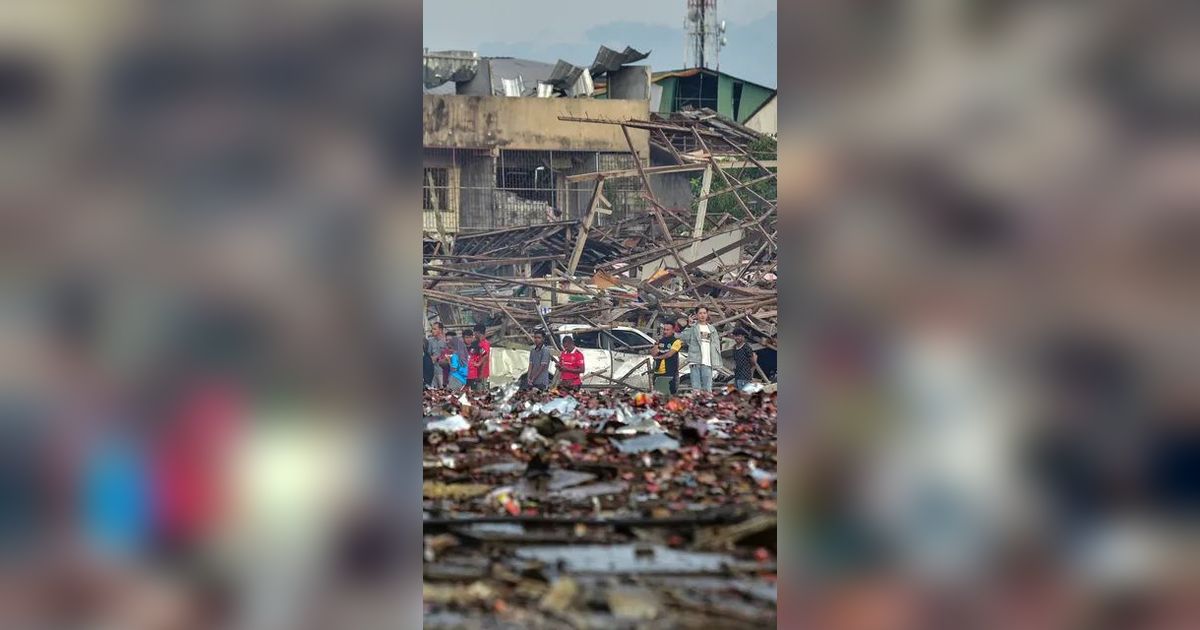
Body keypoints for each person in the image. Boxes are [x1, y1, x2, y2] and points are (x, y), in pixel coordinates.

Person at [680, 306, 723, 393]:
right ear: (696, 315)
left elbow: (716, 346)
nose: (702, 315)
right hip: (695, 361)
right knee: (696, 388)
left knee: (707, 388)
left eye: (704, 313)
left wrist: (715, 360)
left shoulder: (712, 329)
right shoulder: (693, 328)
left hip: (707, 362)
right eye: (700, 313)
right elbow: (683, 337)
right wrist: (689, 325)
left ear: (707, 314)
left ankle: (707, 405)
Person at [650, 322, 683, 396]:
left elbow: (669, 354)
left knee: (669, 395)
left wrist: (658, 358)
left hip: (669, 372)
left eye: (668, 330)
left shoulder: (676, 341)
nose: (665, 331)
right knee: (657, 395)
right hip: (658, 372)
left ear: (673, 330)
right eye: (664, 329)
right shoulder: (661, 340)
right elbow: (653, 353)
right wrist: (656, 344)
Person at [471, 323, 491, 392]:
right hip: (477, 372)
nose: (474, 335)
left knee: (481, 392)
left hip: (482, 373)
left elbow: (485, 357)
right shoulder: (477, 343)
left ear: (478, 333)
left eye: (474, 333)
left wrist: (481, 374)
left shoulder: (485, 343)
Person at [427, 322, 448, 388]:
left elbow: (450, 355)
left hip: (443, 371)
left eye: (434, 329)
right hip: (433, 370)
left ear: (440, 330)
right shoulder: (430, 341)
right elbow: (428, 354)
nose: (432, 331)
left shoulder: (446, 341)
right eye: (432, 329)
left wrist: (438, 357)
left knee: (444, 390)